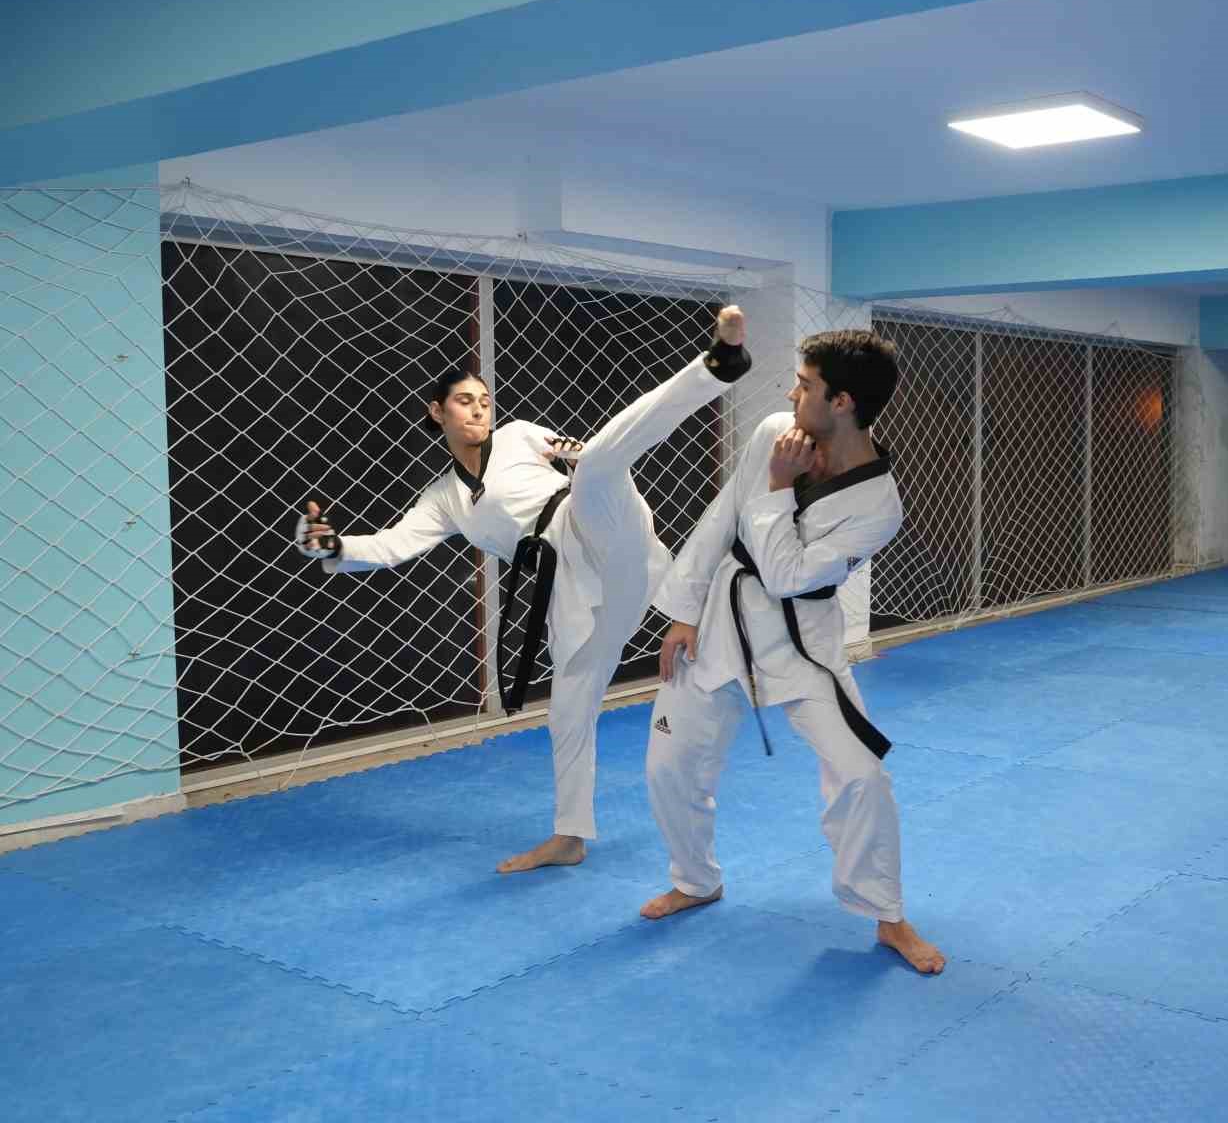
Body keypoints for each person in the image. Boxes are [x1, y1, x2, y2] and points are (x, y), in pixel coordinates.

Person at [292, 307, 751, 874]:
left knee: (600, 462)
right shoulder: (444, 499)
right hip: (576, 588)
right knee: (568, 710)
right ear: (436, 412)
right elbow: (392, 546)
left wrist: (585, 455)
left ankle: (717, 367)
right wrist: (333, 546)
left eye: (484, 401)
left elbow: (584, 451)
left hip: (595, 522)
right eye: (465, 401)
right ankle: (570, 836)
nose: (479, 410)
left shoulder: (519, 435)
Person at [639, 329, 946, 975]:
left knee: (863, 775)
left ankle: (887, 914)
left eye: (805, 385)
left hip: (804, 648)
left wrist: (780, 486)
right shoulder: (775, 432)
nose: (790, 393)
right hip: (720, 624)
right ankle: (695, 880)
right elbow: (723, 516)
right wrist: (684, 610)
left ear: (842, 402)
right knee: (668, 766)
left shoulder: (878, 506)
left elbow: (786, 577)